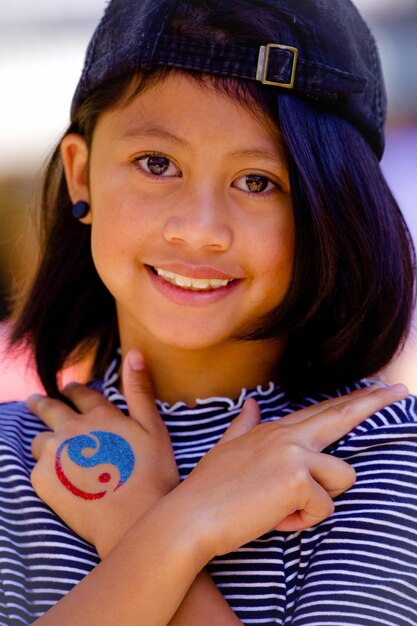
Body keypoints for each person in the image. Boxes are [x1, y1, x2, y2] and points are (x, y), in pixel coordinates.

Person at [1, 0, 416, 624]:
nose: (200, 232)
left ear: (332, 205)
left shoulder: (386, 459)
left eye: (258, 181)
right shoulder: (14, 459)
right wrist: (173, 529)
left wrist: (146, 522)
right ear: (81, 175)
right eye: (157, 164)